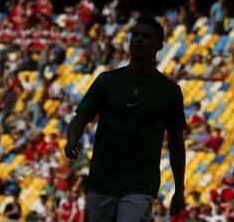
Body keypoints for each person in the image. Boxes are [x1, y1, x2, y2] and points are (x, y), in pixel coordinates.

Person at [65, 16, 187, 222]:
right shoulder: (107, 81)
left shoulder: (169, 91)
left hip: (140, 184)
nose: (138, 40)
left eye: (146, 36)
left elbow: (176, 142)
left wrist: (179, 189)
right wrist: (72, 138)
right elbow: (80, 118)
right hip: (102, 180)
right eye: (135, 34)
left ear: (159, 45)